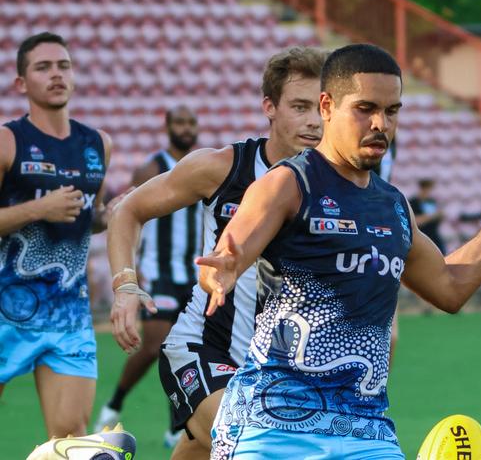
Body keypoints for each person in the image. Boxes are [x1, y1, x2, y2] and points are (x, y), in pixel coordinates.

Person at [196, 43, 481, 459]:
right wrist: (223, 269)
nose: (381, 124)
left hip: (366, 431)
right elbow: (232, 250)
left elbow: (450, 288)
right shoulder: (287, 184)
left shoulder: (394, 205)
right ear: (327, 106)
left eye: (392, 111)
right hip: (271, 425)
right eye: (365, 108)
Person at [107, 46, 328, 459]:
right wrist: (124, 285)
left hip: (279, 372)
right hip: (205, 349)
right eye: (299, 106)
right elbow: (127, 210)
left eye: (320, 108)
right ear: (270, 107)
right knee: (256, 442)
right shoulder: (222, 167)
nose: (314, 122)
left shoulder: (341, 187)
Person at [0, 32, 120, 438]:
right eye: (43, 67)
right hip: (4, 308)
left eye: (63, 66)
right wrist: (39, 209)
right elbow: (49, 211)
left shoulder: (98, 144)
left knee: (70, 441)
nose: (56, 74)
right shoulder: (7, 141)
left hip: (67, 314)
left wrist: (114, 214)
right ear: (21, 83)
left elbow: (89, 218)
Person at [94, 106, 202, 448]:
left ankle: (176, 426)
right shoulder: (151, 168)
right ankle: (114, 404)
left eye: (191, 123)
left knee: (189, 350)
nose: (186, 129)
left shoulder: (205, 167)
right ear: (168, 128)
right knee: (156, 345)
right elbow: (128, 215)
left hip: (193, 274)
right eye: (180, 123)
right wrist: (134, 269)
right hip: (158, 272)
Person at [408, 178, 446, 255]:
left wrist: (440, 216)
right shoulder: (413, 202)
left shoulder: (432, 201)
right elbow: (415, 221)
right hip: (420, 237)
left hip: (434, 236)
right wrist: (432, 216)